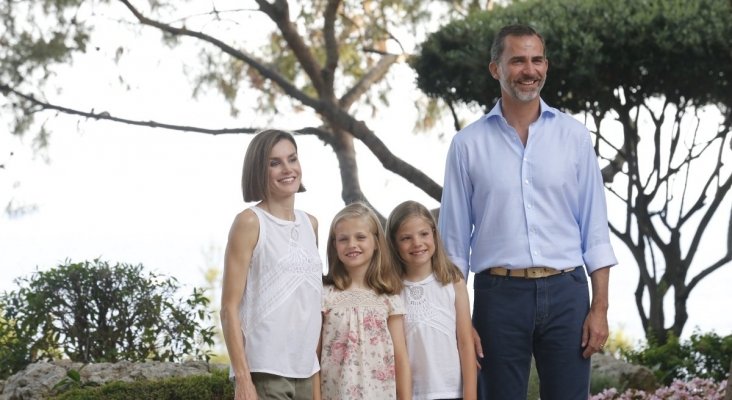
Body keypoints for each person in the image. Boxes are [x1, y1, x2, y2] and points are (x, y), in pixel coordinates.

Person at [437, 24, 618, 400]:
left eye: (536, 60)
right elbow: (453, 246)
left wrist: (599, 307)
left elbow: (595, 230)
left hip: (567, 293)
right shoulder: (467, 145)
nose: (529, 70)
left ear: (546, 66)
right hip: (498, 297)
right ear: (495, 69)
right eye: (517, 60)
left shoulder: (574, 137)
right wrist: (459, 320)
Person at [220, 129, 323, 400]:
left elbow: (310, 305)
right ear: (259, 170)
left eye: (292, 159)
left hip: (306, 371)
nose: (287, 169)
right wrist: (243, 380)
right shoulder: (250, 222)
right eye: (274, 162)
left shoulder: (310, 224)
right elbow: (229, 307)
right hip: (265, 371)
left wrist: (316, 377)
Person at [319, 202, 412, 400]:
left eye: (360, 237)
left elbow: (401, 359)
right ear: (334, 245)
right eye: (343, 239)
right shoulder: (325, 295)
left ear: (377, 242)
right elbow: (313, 358)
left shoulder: (389, 299)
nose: (352, 244)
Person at [386, 200, 477, 400]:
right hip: (411, 393)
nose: (417, 243)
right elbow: (397, 353)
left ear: (434, 234)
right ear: (393, 243)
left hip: (452, 391)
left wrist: (470, 395)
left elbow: (465, 343)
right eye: (406, 238)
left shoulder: (453, 282)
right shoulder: (391, 291)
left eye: (424, 234)